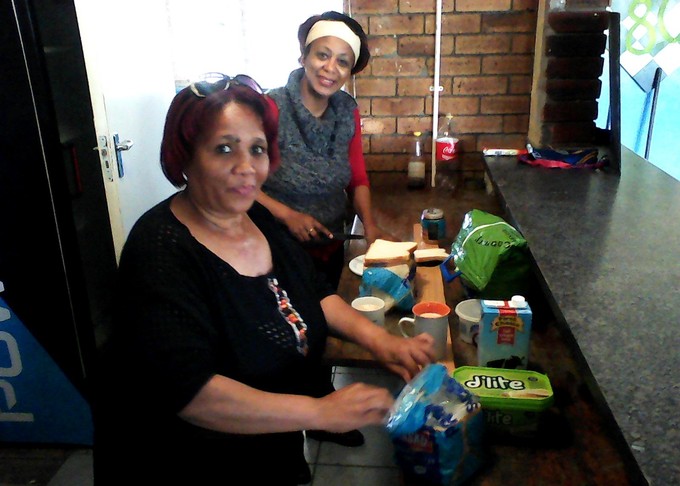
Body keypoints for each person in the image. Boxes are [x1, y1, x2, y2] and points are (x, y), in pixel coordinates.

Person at [92, 74, 436, 485]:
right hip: (188, 462)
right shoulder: (160, 249)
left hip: (266, 447)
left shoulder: (255, 217)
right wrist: (320, 411)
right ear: (185, 156)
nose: (246, 167)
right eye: (223, 149)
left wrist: (382, 343)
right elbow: (191, 393)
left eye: (256, 149)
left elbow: (314, 291)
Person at [257, 11, 389, 447]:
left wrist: (370, 225)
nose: (330, 68)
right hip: (271, 240)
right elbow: (241, 182)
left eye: (343, 62)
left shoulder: (347, 111)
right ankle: (288, 425)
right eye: (322, 55)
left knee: (317, 328)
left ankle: (318, 410)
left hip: (327, 239)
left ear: (352, 71)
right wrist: (285, 215)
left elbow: (357, 176)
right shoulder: (270, 107)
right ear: (304, 55)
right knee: (286, 335)